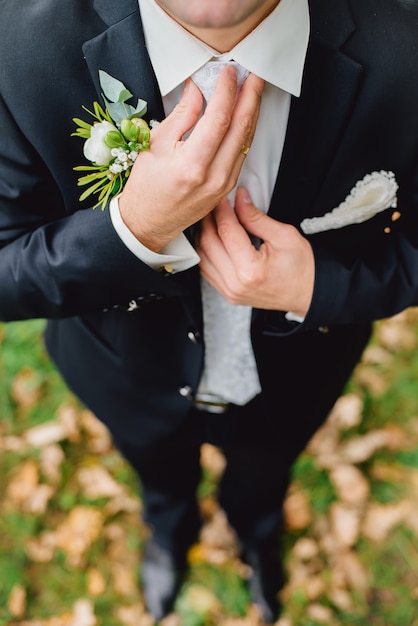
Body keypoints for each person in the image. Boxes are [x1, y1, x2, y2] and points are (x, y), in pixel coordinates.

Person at [0, 0, 417, 622]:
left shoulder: (406, 39)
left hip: (298, 371)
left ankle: (257, 529)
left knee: (265, 471)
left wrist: (320, 285)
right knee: (158, 473)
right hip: (125, 373)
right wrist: (130, 231)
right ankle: (169, 527)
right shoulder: (16, 42)